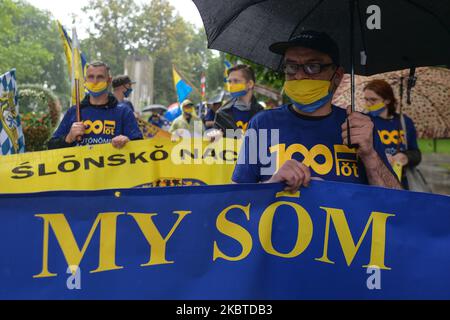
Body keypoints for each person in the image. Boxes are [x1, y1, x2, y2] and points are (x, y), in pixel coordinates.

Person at [232, 30, 402, 191]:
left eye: (313, 66)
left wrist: (370, 155)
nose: (299, 76)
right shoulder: (263, 124)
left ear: (337, 76)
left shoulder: (360, 128)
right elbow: (236, 199)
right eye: (291, 66)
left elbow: (397, 204)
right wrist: (272, 183)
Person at [48, 61, 143, 150]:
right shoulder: (74, 111)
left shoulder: (124, 112)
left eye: (100, 77)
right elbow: (51, 147)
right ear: (85, 80)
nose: (95, 81)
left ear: (109, 80)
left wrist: (127, 141)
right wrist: (69, 138)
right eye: (91, 77)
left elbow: (141, 147)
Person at [363, 79, 421, 190]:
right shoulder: (365, 121)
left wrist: (405, 157)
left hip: (401, 183)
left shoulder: (404, 122)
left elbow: (416, 154)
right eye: (366, 99)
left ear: (387, 100)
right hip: (372, 183)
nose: (368, 104)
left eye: (373, 100)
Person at [214, 65, 264, 137]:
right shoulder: (222, 113)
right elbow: (216, 142)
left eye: (236, 81)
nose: (231, 85)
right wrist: (215, 136)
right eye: (229, 81)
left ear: (250, 84)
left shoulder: (262, 113)